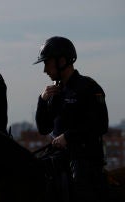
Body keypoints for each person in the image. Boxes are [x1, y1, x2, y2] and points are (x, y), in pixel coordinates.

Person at [33, 36, 108, 202]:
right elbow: (43, 128)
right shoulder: (55, 92)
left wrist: (68, 137)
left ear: (62, 61)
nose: (44, 70)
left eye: (46, 63)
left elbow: (101, 124)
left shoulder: (88, 87)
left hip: (83, 158)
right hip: (58, 157)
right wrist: (42, 100)